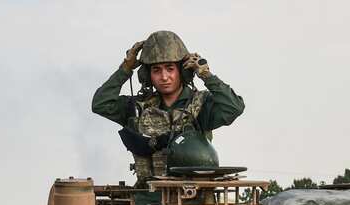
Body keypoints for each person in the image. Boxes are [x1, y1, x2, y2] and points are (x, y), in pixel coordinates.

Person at [91, 30, 245, 186]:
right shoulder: (138, 107)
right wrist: (125, 69)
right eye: (156, 70)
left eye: (170, 69)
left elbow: (234, 107)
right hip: (145, 197)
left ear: (182, 72)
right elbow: (101, 104)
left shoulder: (200, 105)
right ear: (147, 76)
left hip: (189, 199)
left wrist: (205, 75)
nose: (164, 77)